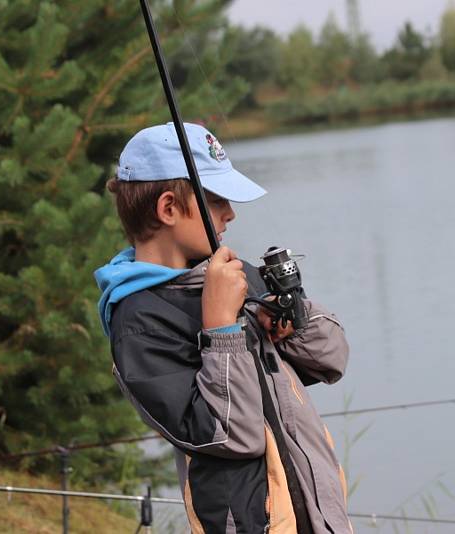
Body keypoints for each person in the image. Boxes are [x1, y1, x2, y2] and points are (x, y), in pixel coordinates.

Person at [96, 122, 352, 533]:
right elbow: (229, 435)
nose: (230, 214)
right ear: (168, 209)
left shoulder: (231, 274)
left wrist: (291, 320)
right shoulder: (139, 322)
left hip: (317, 516)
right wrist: (221, 330)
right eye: (216, 201)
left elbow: (331, 359)